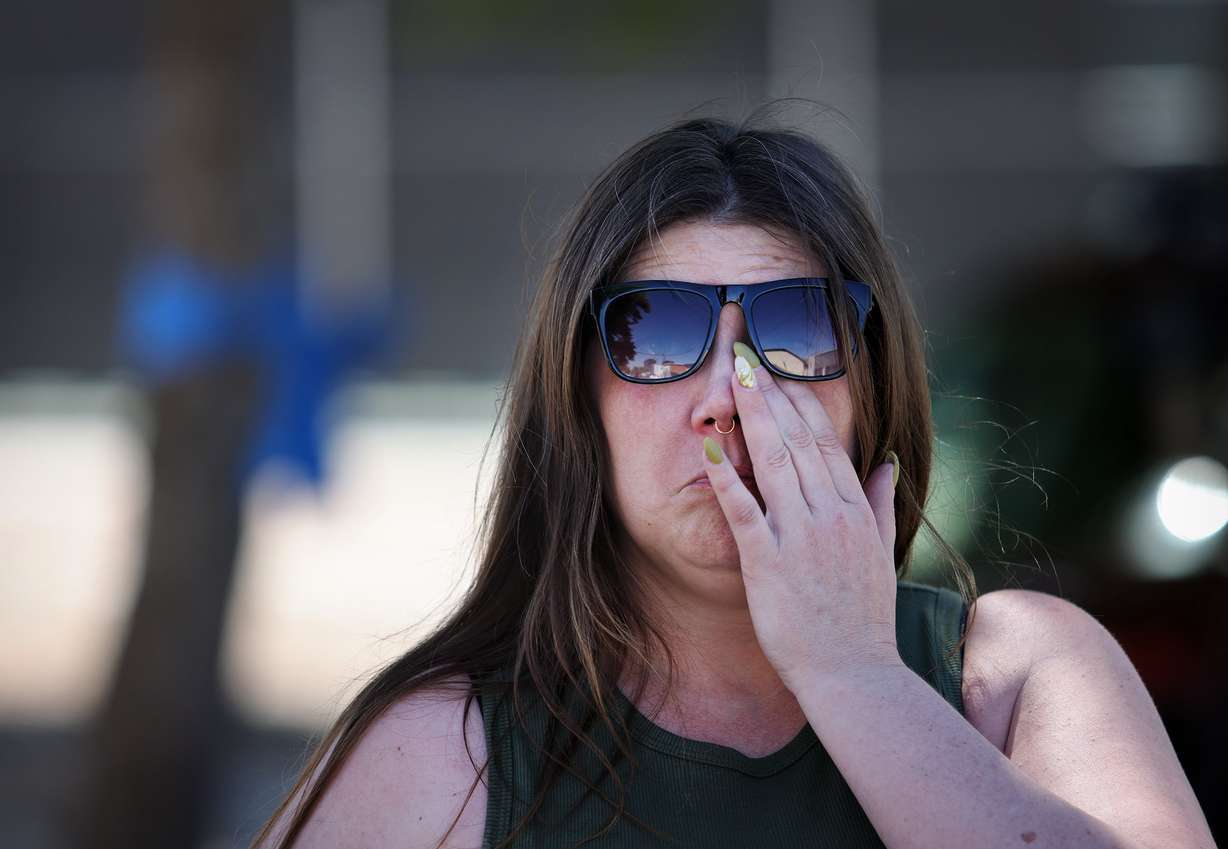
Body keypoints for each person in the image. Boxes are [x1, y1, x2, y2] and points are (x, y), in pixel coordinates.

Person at [249, 114, 1216, 849]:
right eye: (656, 331)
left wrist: (855, 674)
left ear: (869, 387)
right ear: (578, 398)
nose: (728, 396)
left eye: (796, 328)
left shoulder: (1022, 675)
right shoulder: (443, 753)